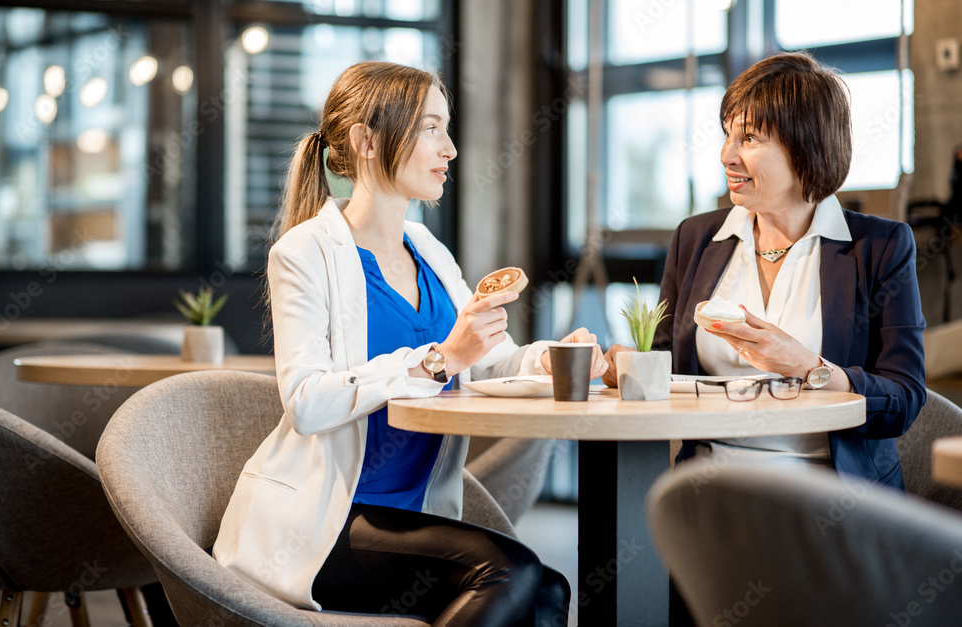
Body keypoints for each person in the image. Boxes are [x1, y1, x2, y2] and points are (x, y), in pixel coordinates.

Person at [214, 61, 606, 625]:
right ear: (367, 140)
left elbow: (486, 363)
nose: (450, 148)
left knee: (547, 591)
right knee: (507, 572)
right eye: (431, 128)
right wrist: (439, 358)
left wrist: (548, 357)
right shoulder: (304, 254)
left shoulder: (430, 251)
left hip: (414, 515)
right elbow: (306, 401)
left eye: (448, 128)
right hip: (331, 523)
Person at [603, 51, 926, 488]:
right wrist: (623, 368)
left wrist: (809, 367)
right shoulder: (695, 239)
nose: (726, 156)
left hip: (830, 497)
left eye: (749, 139)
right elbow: (668, 366)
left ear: (806, 146)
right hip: (708, 490)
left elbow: (904, 399)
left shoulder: (881, 248)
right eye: (726, 135)